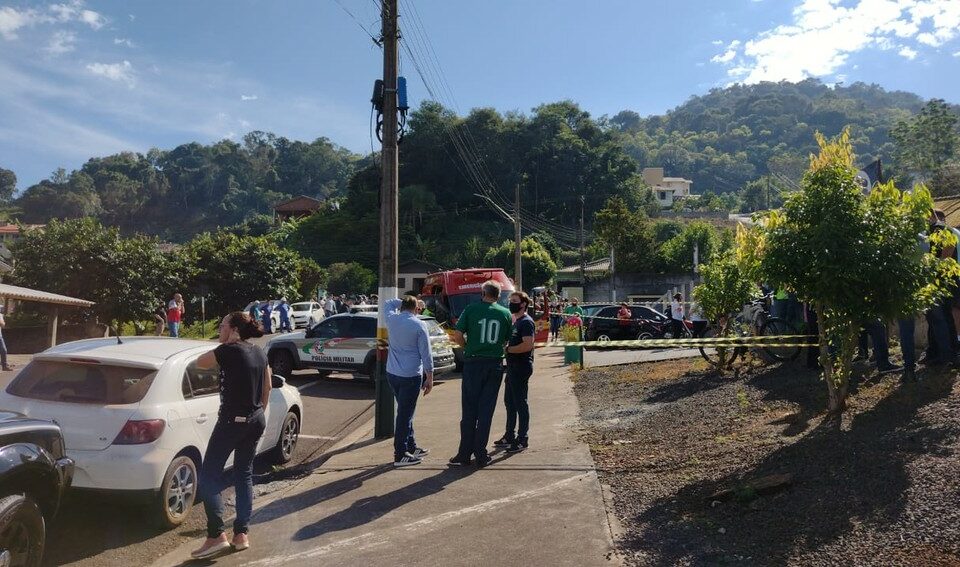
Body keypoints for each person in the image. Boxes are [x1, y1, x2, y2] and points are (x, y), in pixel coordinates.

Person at [190, 312, 270, 559]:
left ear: (234, 329)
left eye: (222, 325)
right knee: (243, 474)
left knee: (208, 476)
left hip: (231, 422)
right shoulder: (259, 352)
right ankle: (241, 534)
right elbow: (266, 387)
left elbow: (200, 363)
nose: (219, 329)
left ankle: (216, 535)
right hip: (256, 419)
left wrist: (225, 344)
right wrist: (256, 414)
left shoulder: (227, 351)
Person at [449, 280, 513, 468]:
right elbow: (507, 340)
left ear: (483, 293)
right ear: (498, 295)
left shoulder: (471, 309)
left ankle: (464, 454)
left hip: (473, 363)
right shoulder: (505, 313)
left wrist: (467, 347)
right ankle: (481, 454)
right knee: (486, 410)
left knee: (469, 409)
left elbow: (458, 335)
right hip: (494, 364)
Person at [384, 296, 435, 467]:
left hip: (393, 373)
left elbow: (388, 303)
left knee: (405, 411)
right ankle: (400, 453)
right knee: (405, 415)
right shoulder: (419, 325)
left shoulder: (392, 319)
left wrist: (406, 303)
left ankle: (411, 446)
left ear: (402, 306)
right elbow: (426, 354)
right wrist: (430, 377)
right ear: (416, 308)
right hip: (411, 375)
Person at [494, 291, 536, 453]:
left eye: (515, 301)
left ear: (523, 304)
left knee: (520, 403)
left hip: (521, 367)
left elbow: (528, 345)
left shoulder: (526, 322)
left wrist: (508, 349)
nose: (511, 303)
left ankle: (522, 438)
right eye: (510, 300)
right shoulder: (515, 321)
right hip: (512, 367)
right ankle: (509, 435)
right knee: (509, 402)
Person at [0, 307, 13, 371]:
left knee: (4, 350)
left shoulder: (0, 315)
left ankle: (4, 366)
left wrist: (1, 322)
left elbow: (3, 325)